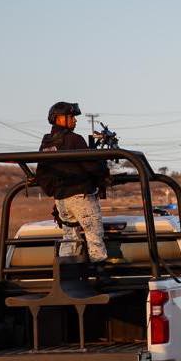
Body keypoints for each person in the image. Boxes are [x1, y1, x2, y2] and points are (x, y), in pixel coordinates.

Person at [35, 101, 111, 274]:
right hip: (81, 197)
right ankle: (100, 274)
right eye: (71, 117)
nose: (75, 121)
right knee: (94, 233)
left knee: (69, 236)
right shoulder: (75, 140)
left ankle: (65, 274)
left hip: (61, 199)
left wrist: (54, 191)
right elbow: (91, 166)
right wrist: (102, 172)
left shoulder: (46, 143)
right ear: (59, 119)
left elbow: (41, 172)